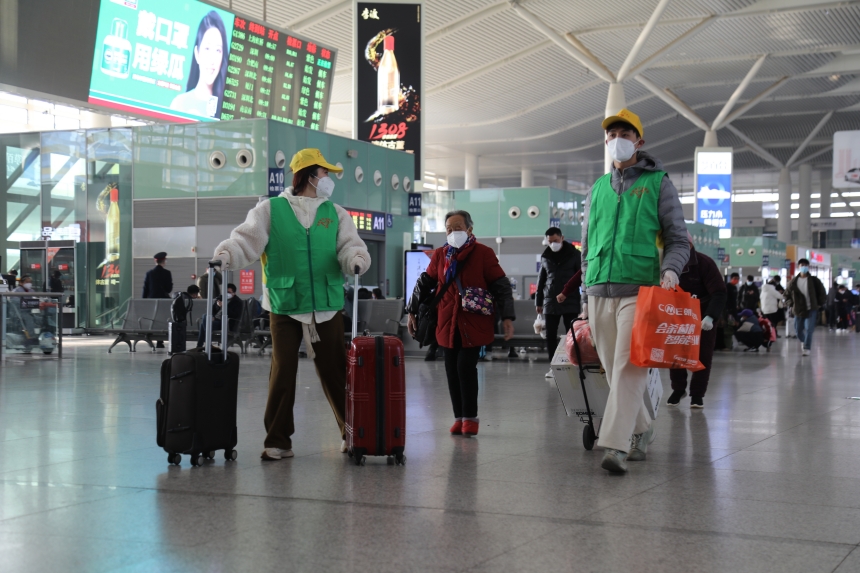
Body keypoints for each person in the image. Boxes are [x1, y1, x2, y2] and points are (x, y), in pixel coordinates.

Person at [212, 148, 370, 461]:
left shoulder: (335, 213)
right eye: (325, 173)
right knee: (283, 372)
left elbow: (349, 246)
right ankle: (278, 440)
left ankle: (352, 433)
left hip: (326, 306)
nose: (328, 179)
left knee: (336, 372)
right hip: (285, 305)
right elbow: (246, 240)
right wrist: (227, 254)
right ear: (310, 174)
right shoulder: (270, 209)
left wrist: (356, 258)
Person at [580, 108, 689, 473]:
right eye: (610, 135)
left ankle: (614, 445)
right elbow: (587, 242)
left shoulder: (658, 183)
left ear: (639, 141)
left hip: (640, 291)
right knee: (613, 371)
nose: (616, 140)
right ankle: (642, 429)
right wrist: (585, 291)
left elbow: (677, 239)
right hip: (598, 289)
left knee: (629, 368)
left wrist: (671, 270)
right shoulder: (597, 188)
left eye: (624, 134)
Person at [407, 210, 515, 437]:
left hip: (473, 322)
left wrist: (507, 317)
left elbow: (501, 285)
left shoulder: (483, 254)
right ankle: (459, 418)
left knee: (465, 368)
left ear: (469, 229)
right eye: (449, 229)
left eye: (457, 228)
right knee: (450, 370)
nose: (453, 232)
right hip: (446, 322)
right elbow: (424, 283)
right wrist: (412, 311)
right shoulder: (440, 255)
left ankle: (471, 419)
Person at [666, 235, 726, 409]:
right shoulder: (667, 264)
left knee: (702, 356)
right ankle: (678, 389)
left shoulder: (704, 263)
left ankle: (697, 394)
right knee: (675, 354)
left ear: (690, 244)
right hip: (677, 316)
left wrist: (711, 316)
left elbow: (719, 293)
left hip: (703, 317)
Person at [536, 227, 582, 376]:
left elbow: (580, 277)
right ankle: (553, 367)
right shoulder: (546, 256)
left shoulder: (575, 255)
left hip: (571, 299)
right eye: (550, 242)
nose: (552, 244)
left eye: (555, 241)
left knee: (572, 334)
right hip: (550, 300)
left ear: (562, 238)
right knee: (550, 335)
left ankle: (573, 364)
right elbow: (541, 280)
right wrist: (539, 301)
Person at [170, 11, 228, 119]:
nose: (212, 59)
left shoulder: (226, 111)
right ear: (197, 53)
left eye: (218, 50)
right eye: (207, 48)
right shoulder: (179, 104)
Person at [784, 258, 826, 356]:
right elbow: (786, 295)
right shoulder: (793, 282)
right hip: (798, 309)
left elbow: (822, 293)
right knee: (798, 330)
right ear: (798, 267)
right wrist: (791, 304)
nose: (804, 267)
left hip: (811, 309)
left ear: (808, 267)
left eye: (805, 265)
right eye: (802, 265)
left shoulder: (815, 280)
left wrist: (819, 304)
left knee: (809, 329)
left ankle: (807, 348)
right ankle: (804, 341)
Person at [143, 252, 173, 348]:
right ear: (164, 261)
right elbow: (169, 289)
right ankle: (160, 341)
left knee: (153, 319)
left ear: (155, 261)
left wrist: (144, 301)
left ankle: (150, 337)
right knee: (163, 320)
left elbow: (145, 289)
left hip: (152, 300)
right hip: (164, 301)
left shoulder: (149, 273)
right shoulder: (167, 273)